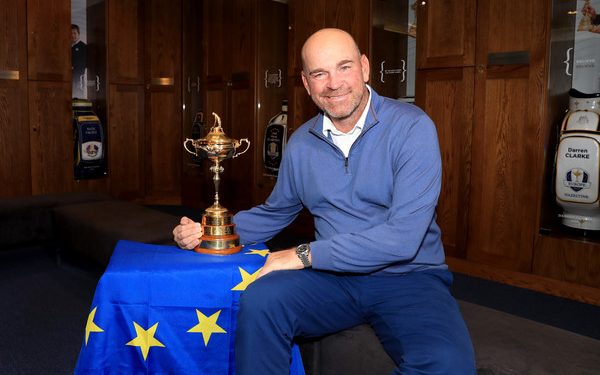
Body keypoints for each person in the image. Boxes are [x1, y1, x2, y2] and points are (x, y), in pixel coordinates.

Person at [173, 28, 476, 374]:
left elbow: (403, 238)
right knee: (260, 302)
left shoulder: (412, 128)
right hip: (334, 277)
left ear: (364, 67)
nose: (334, 83)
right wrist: (210, 231)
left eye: (344, 67)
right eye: (320, 74)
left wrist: (305, 254)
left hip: (408, 278)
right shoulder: (301, 143)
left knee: (448, 365)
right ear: (306, 82)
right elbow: (276, 212)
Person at [71, 24, 87, 98]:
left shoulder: (83, 47)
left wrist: (73, 67)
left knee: (78, 99)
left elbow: (85, 63)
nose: (72, 35)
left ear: (79, 34)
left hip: (78, 79)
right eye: (71, 33)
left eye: (74, 33)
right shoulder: (68, 47)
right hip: (69, 79)